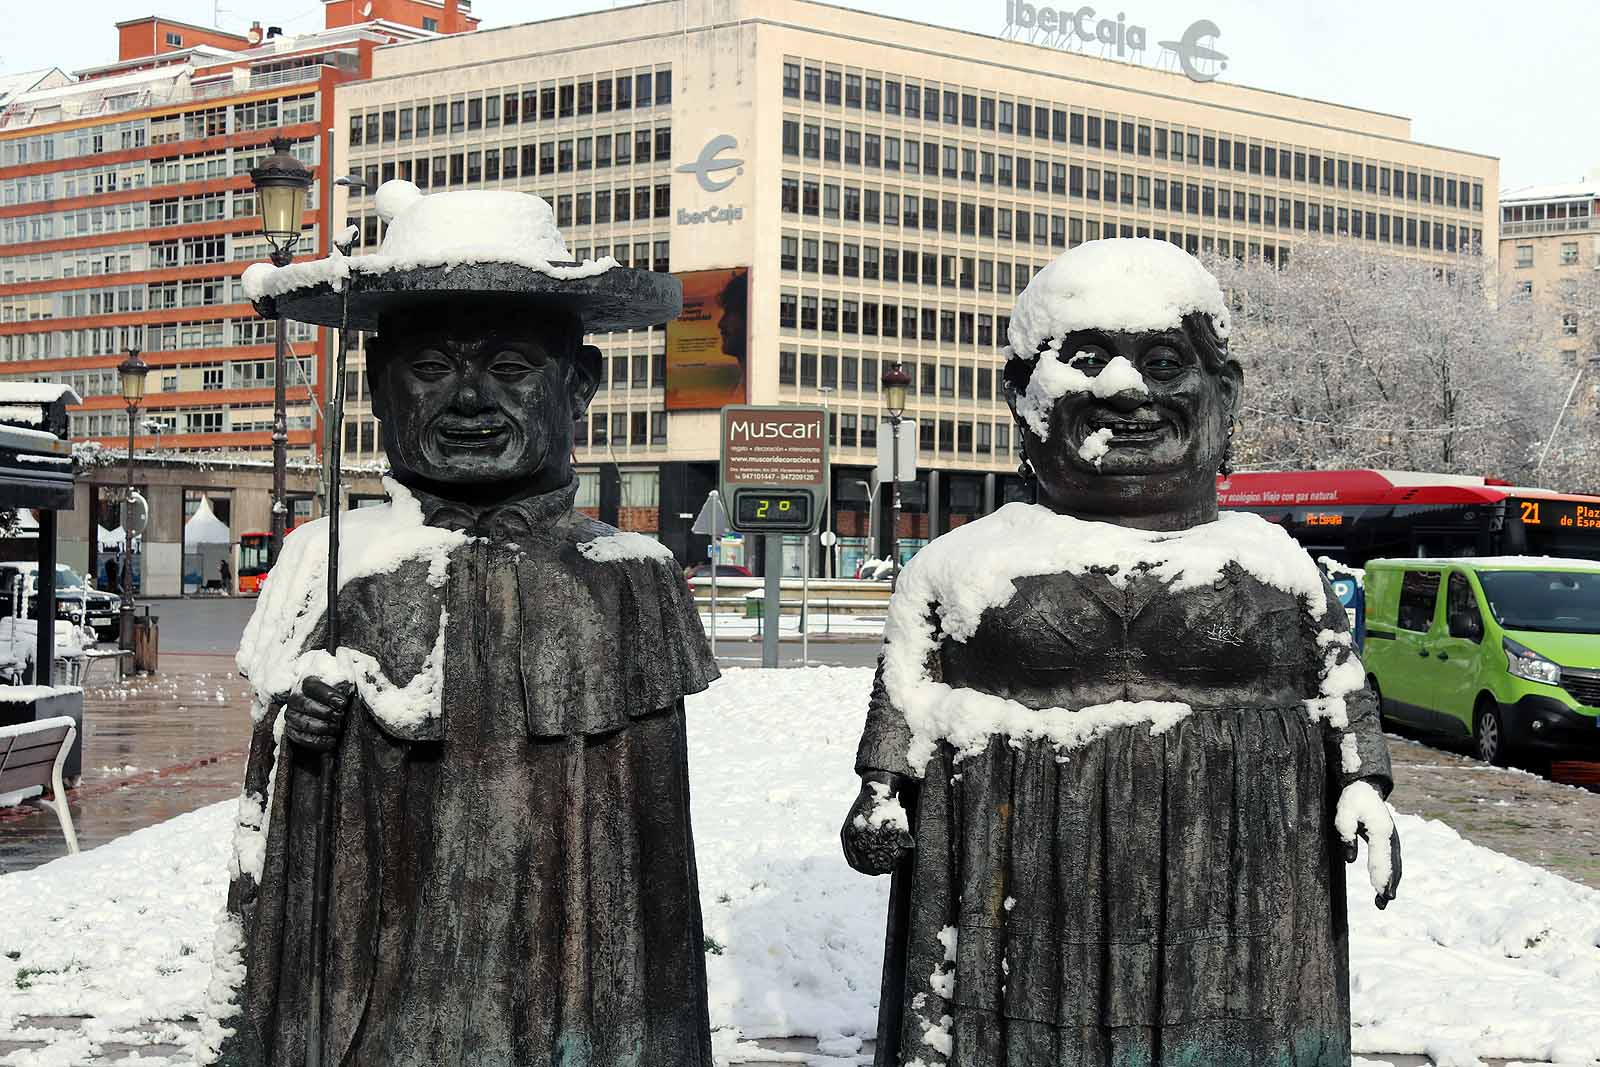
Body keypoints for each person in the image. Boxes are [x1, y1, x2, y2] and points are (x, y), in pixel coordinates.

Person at [842, 239, 1400, 1066]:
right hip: (1021, 890)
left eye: (1166, 360)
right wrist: (881, 789)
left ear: (1226, 392)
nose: (1127, 389)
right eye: (1088, 359)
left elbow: (1338, 679)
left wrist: (1363, 779)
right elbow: (908, 686)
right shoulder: (962, 566)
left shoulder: (1277, 566)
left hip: (1236, 894)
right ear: (1020, 395)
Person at [201, 181, 717, 1067]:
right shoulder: (329, 563)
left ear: (580, 384)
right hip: (384, 978)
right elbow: (269, 818)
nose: (471, 399)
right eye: (432, 370)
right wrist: (301, 721)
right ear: (376, 386)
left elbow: (653, 874)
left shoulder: (631, 579)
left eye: (512, 370)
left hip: (566, 991)